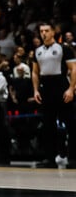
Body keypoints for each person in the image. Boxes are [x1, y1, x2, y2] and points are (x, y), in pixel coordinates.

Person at [31, 23, 76, 168]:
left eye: (46, 30)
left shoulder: (64, 48)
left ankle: (73, 158)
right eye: (41, 31)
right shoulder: (37, 51)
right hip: (46, 88)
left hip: (61, 86)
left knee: (71, 123)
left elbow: (73, 69)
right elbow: (35, 72)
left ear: (53, 32)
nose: (43, 33)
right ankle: (49, 159)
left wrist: (71, 89)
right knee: (47, 125)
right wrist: (36, 90)